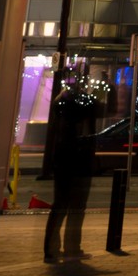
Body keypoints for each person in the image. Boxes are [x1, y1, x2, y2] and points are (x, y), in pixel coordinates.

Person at [43, 83, 100, 263]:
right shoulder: (78, 118)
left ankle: (54, 249)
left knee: (61, 205)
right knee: (75, 207)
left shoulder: (60, 112)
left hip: (64, 162)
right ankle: (70, 248)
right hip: (78, 163)